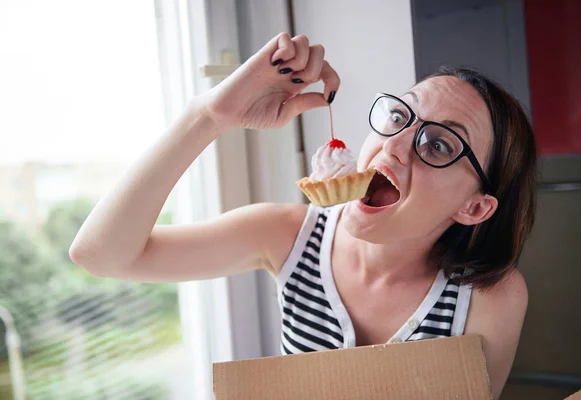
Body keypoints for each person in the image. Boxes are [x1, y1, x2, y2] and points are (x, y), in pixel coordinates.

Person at [70, 32, 537, 398]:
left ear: (475, 207)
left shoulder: (490, 298)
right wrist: (211, 115)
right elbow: (101, 256)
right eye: (399, 118)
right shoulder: (288, 236)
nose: (391, 147)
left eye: (438, 144)